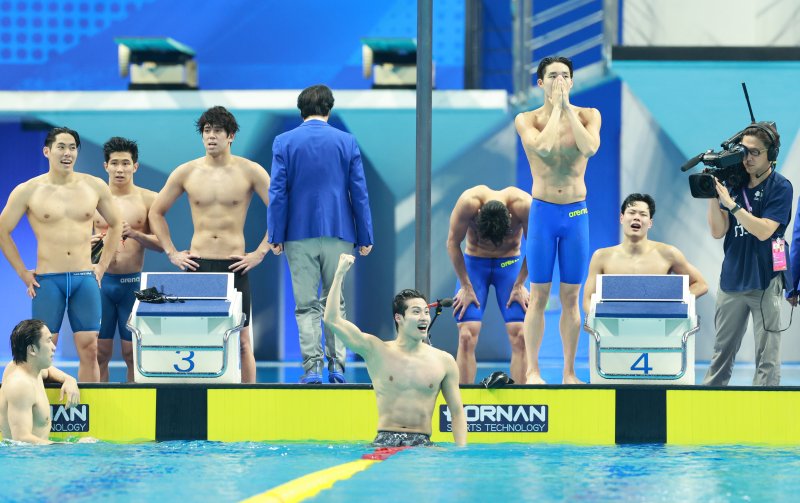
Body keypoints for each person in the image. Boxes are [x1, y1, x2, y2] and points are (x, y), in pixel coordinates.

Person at [149, 106, 271, 384]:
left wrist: (260, 253)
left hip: (234, 265)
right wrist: (171, 252)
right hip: (198, 265)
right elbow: (156, 212)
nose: (211, 136)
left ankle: (248, 405)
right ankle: (198, 399)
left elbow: (280, 213)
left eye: (217, 130)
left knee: (242, 342)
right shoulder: (187, 172)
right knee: (197, 337)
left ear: (231, 136)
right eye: (207, 130)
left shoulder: (250, 171)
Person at [268, 84, 374, 384]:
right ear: (329, 108)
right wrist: (365, 236)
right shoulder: (347, 142)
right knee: (335, 303)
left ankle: (312, 368)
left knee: (305, 305)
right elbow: (360, 193)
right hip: (340, 232)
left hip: (297, 233)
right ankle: (338, 367)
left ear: (301, 110)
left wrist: (275, 233)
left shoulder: (283, 142)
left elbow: (278, 192)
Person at [0, 127, 122, 382]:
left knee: (91, 349)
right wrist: (23, 272)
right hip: (49, 280)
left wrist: (100, 267)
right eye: (61, 147)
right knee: (43, 352)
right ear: (47, 151)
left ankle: (90, 410)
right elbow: (3, 230)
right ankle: (46, 411)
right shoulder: (28, 190)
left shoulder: (94, 186)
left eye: (72, 148)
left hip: (84, 278)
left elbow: (116, 224)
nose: (67, 153)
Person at [514, 56, 602, 384]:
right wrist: (555, 110)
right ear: (540, 83)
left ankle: (568, 371)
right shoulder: (527, 119)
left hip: (576, 212)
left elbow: (589, 148)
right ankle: (533, 370)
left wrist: (566, 110)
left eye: (565, 76)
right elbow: (546, 148)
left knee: (570, 297)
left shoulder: (590, 115)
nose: (560, 81)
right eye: (553, 76)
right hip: (543, 213)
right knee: (538, 294)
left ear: (574, 81)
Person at [323, 254, 466, 446]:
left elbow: (457, 412)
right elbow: (332, 320)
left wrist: (461, 455)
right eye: (416, 312)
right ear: (399, 318)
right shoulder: (376, 350)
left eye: (426, 311)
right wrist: (339, 273)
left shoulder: (444, 361)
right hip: (384, 441)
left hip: (423, 443)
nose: (424, 317)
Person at [704, 122, 793, 386]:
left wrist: (732, 206)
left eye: (755, 152)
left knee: (767, 356)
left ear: (771, 156)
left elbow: (764, 231)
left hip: (766, 279)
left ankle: (764, 416)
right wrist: (714, 195)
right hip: (732, 279)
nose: (748, 158)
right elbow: (718, 231)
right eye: (744, 151)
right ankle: (707, 408)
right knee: (721, 352)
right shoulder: (734, 184)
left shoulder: (781, 187)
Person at [91, 137, 163, 382]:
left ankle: (135, 405)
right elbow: (76, 243)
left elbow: (163, 245)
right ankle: (100, 404)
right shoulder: (92, 198)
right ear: (105, 167)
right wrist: (88, 243)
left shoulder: (149, 199)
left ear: (135, 166)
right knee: (99, 352)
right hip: (100, 284)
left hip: (132, 284)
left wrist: (134, 233)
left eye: (125, 163)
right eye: (114, 163)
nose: (120, 169)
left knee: (131, 352)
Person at [447, 185, 531, 384]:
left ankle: (522, 401)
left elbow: (537, 247)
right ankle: (463, 402)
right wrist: (465, 286)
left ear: (511, 217)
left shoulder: (524, 205)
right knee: (466, 335)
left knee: (520, 335)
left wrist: (520, 284)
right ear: (477, 216)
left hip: (509, 265)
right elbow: (452, 243)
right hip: (475, 266)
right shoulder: (468, 202)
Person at [582, 193, 708, 314]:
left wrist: (674, 304)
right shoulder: (601, 257)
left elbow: (700, 284)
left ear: (650, 223)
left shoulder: (668, 253)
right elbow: (587, 299)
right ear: (621, 218)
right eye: (631, 212)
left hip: (658, 330)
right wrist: (599, 321)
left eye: (643, 214)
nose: (636, 217)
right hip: (613, 331)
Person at [0, 319, 80, 444]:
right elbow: (21, 439)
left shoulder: (31, 369)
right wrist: (70, 447)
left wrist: (69, 379)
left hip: (38, 456)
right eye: (48, 341)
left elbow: (49, 371)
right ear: (32, 350)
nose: (54, 347)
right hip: (25, 460)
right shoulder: (20, 385)